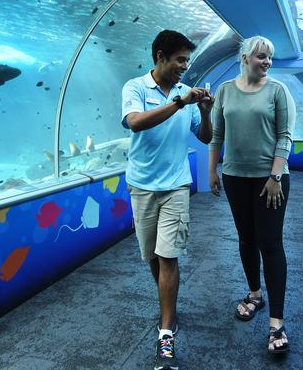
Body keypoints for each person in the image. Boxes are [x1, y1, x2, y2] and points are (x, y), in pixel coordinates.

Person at [121, 29, 213, 370]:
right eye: (179, 60)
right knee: (152, 258)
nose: (184, 67)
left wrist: (203, 111)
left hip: (176, 186)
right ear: (160, 57)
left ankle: (165, 333)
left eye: (187, 61)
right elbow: (135, 124)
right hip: (142, 186)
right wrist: (180, 102)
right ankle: (168, 308)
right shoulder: (135, 88)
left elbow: (204, 137)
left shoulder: (186, 94)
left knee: (168, 256)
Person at [208, 36, 296, 355]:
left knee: (271, 244)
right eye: (261, 56)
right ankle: (255, 294)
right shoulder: (225, 91)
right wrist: (212, 171)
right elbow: (217, 135)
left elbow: (285, 136)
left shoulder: (277, 91)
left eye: (270, 57)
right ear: (245, 57)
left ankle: (277, 323)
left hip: (270, 180)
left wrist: (274, 176)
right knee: (246, 240)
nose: (267, 62)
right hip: (235, 177)